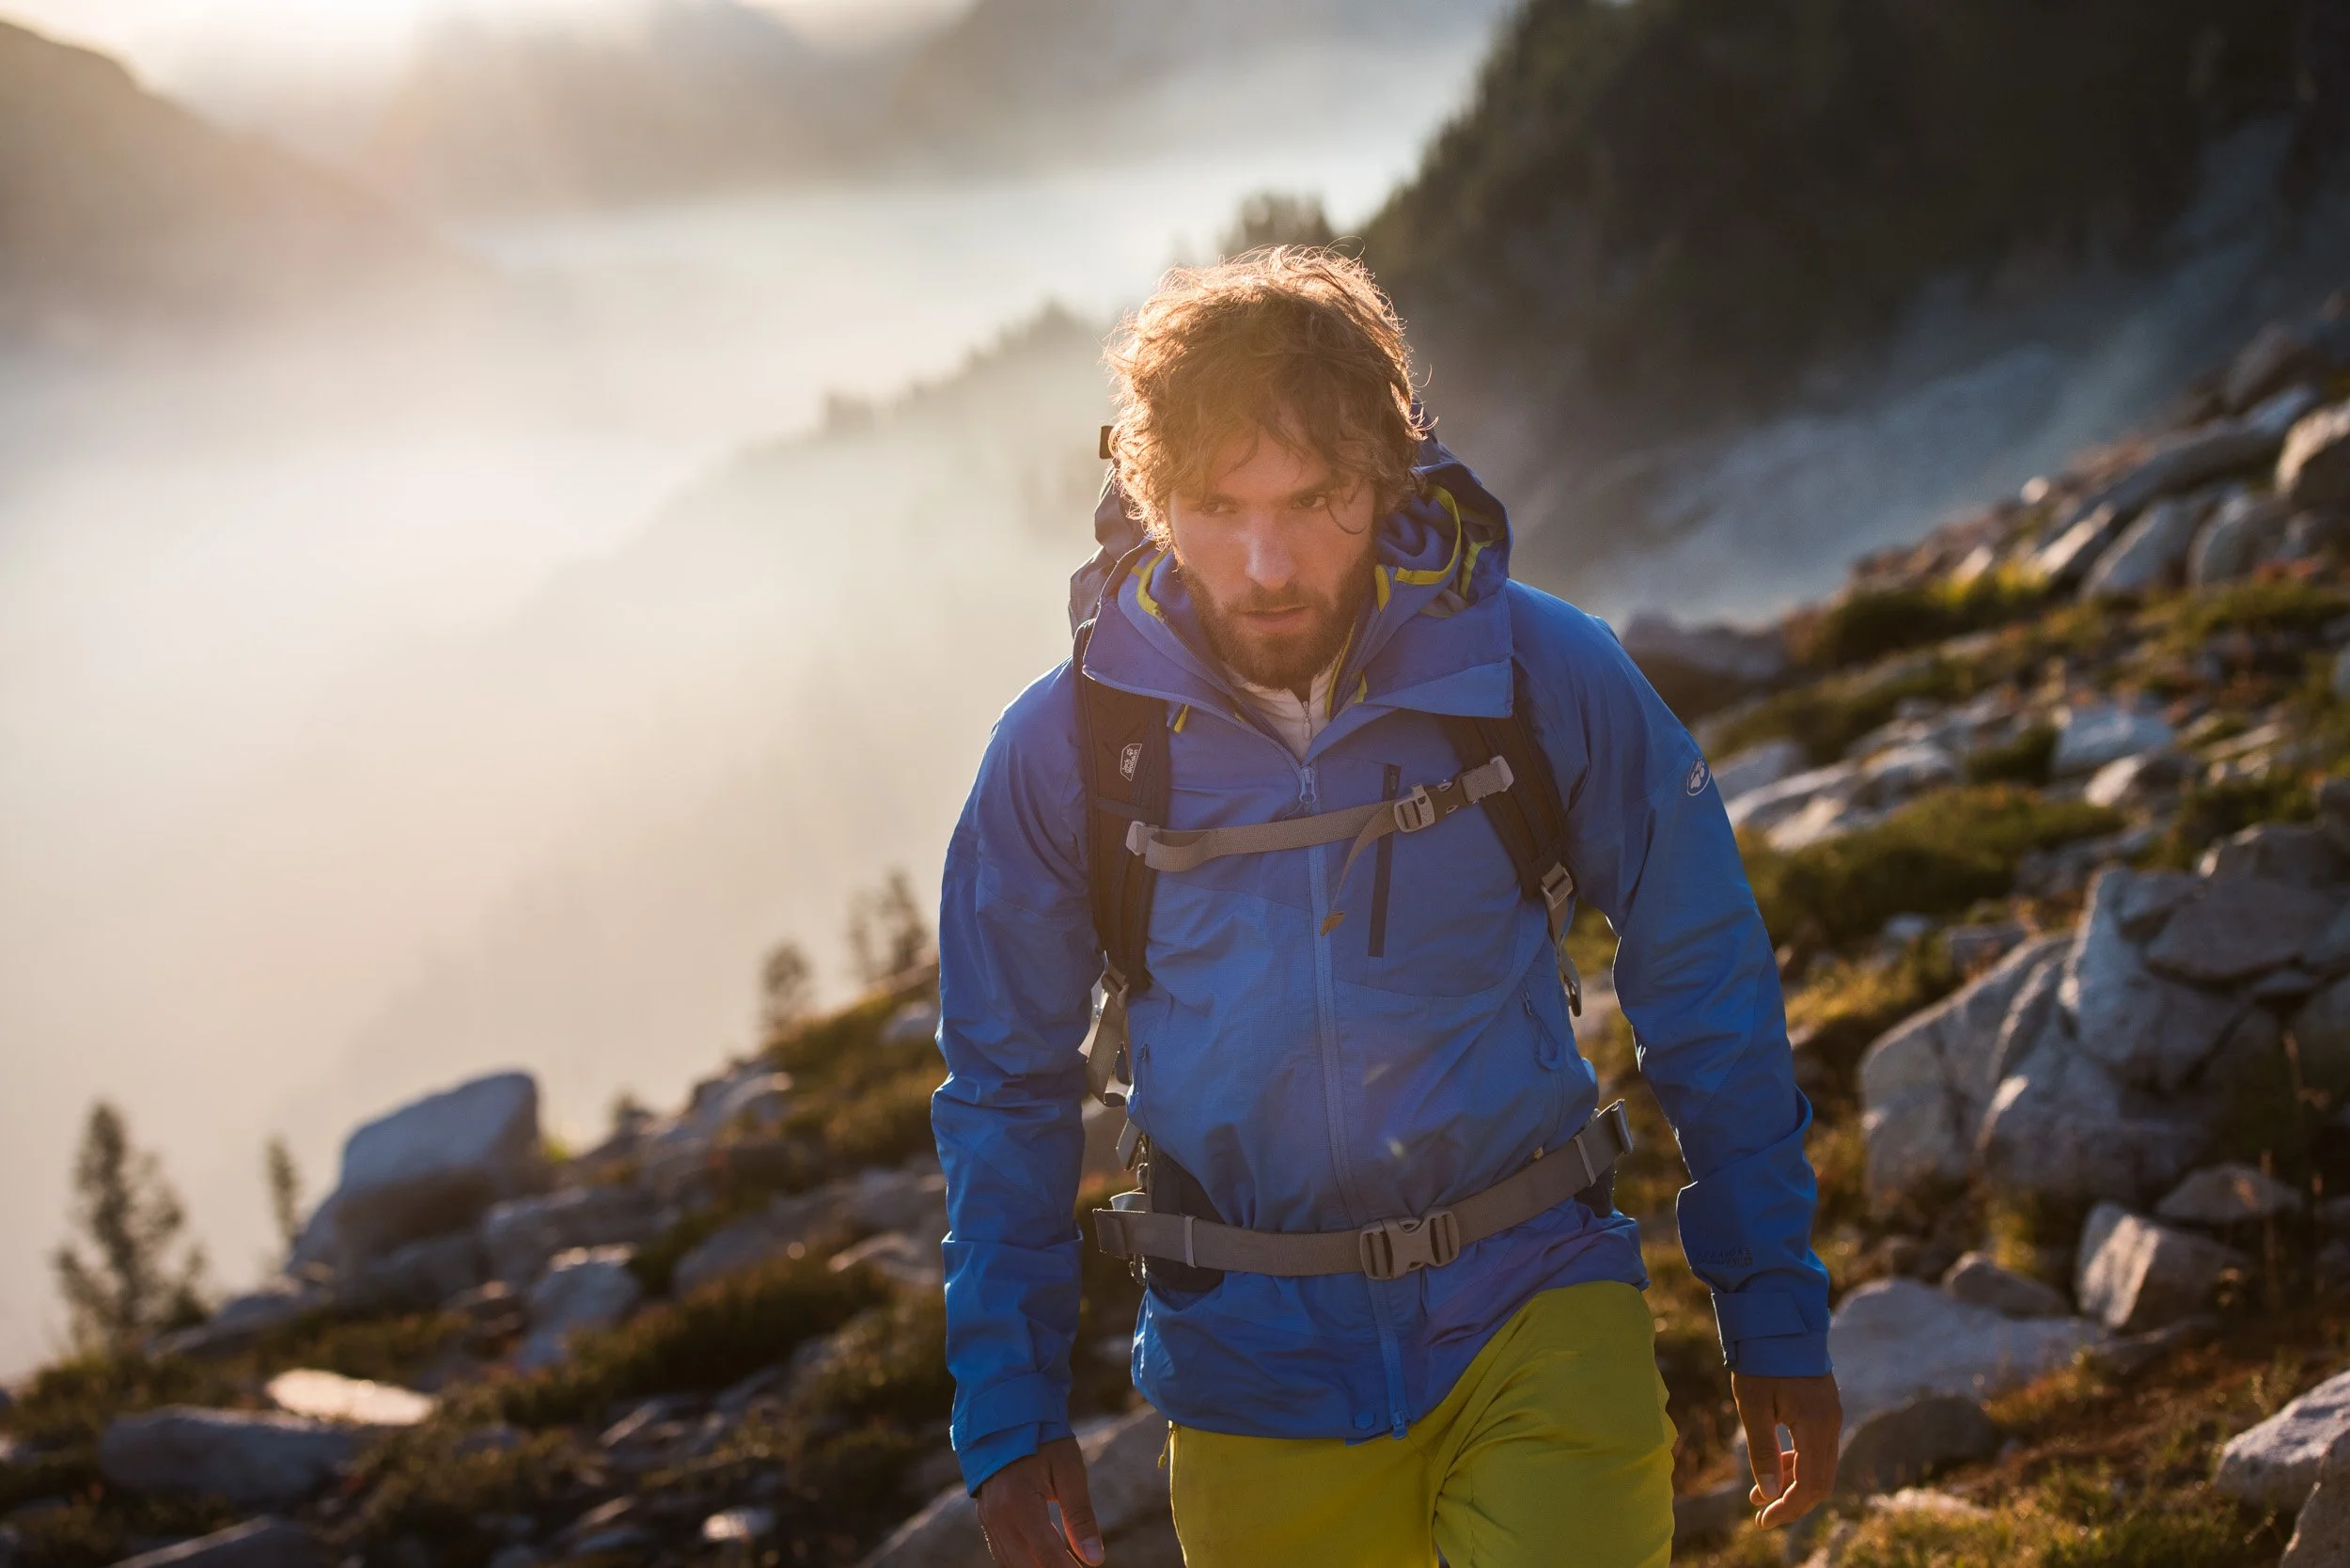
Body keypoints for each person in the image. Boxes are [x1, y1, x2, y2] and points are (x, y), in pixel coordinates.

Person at [932, 247, 1839, 1568]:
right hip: (1251, 1380)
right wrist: (1009, 1413)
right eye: (1215, 504)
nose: (1265, 561)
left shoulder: (1541, 674)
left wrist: (1772, 1303)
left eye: (1314, 498)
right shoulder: (1066, 753)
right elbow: (1004, 1084)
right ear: (1149, 496)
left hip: (1537, 1307)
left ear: (1389, 474)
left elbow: (1704, 975)